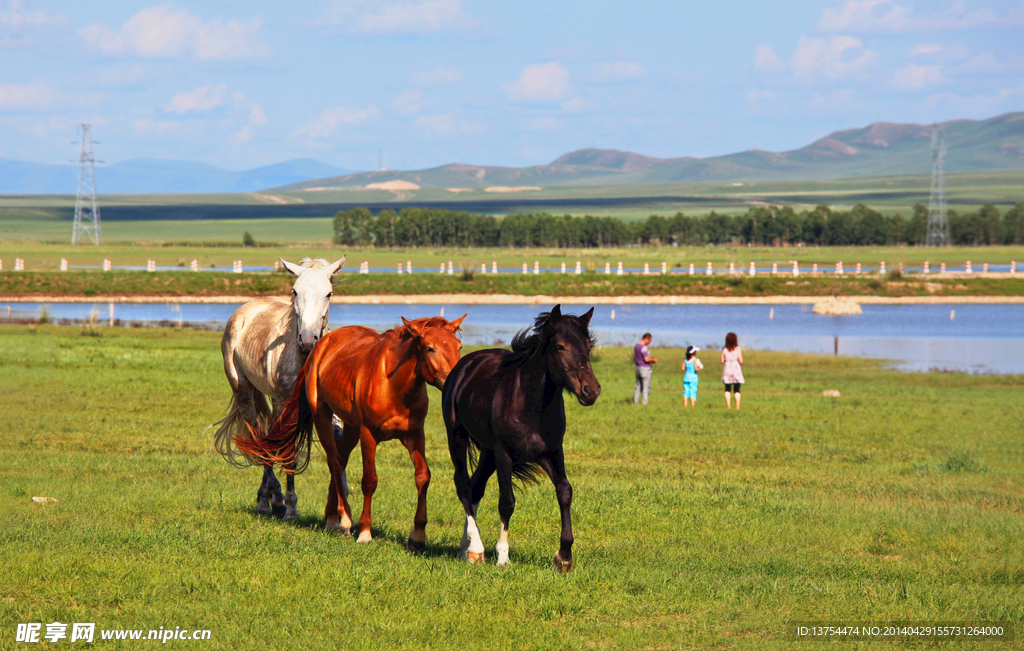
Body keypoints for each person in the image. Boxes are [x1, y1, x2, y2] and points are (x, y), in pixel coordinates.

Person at [721, 332, 744, 410]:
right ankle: (737, 406)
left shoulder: (724, 349)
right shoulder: (737, 349)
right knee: (737, 389)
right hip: (736, 368)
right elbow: (741, 360)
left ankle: (728, 406)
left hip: (727, 368)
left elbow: (722, 360)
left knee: (727, 388)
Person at [633, 332, 657, 405]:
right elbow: (646, 359)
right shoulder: (643, 347)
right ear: (646, 339)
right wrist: (653, 359)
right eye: (649, 341)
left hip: (637, 368)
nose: (649, 343)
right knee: (646, 387)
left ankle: (635, 402)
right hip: (645, 369)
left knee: (638, 386)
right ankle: (644, 403)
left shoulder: (636, 346)